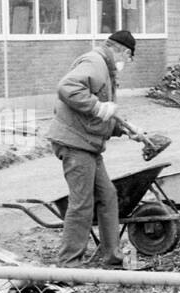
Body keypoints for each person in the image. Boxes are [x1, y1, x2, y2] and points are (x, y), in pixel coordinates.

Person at [46, 29, 138, 267]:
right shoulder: (95, 63)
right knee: (82, 203)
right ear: (124, 51)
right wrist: (97, 107)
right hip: (75, 144)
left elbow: (99, 116)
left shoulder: (104, 69)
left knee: (108, 196)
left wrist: (123, 129)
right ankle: (69, 264)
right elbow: (68, 88)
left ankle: (112, 256)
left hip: (88, 145)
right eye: (129, 58)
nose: (126, 63)